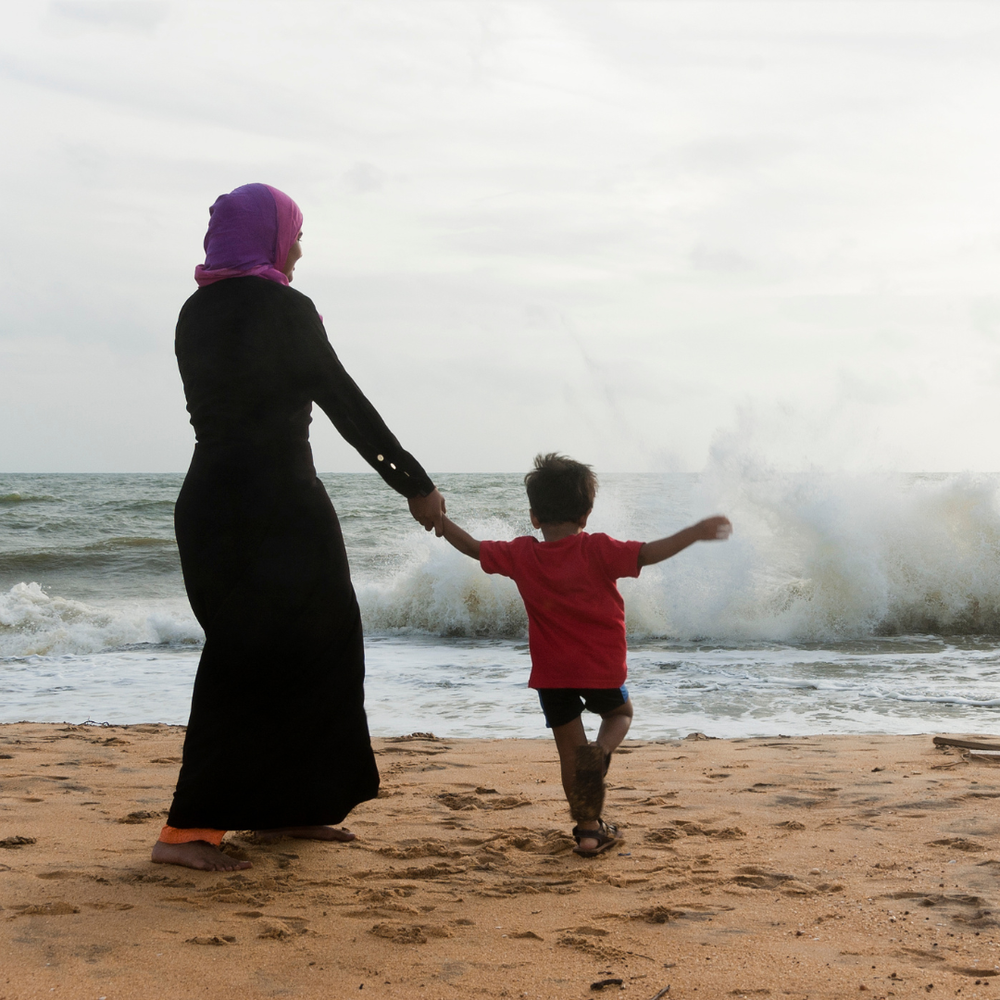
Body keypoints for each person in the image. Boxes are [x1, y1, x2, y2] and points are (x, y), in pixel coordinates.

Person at [152, 182, 445, 872]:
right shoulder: (285, 306)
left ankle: (285, 810)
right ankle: (187, 833)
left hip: (211, 506)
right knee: (267, 657)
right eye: (296, 234)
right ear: (271, 237)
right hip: (275, 508)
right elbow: (341, 398)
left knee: (292, 648)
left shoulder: (194, 311)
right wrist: (413, 482)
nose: (302, 247)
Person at [439, 453, 730, 856]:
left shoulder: (522, 553)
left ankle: (589, 832)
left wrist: (440, 521)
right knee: (619, 715)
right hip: (602, 667)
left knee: (569, 752)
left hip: (552, 673)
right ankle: (603, 752)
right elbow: (647, 552)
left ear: (534, 517)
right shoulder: (598, 549)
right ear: (587, 514)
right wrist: (695, 531)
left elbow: (472, 548)